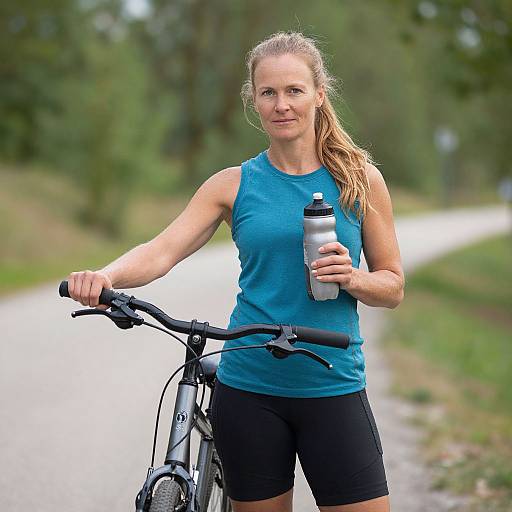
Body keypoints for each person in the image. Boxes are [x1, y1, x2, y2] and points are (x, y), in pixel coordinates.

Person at [67, 31, 404, 512]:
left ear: (319, 94)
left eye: (294, 90)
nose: (281, 104)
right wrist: (105, 276)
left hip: (332, 384)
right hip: (250, 390)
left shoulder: (359, 179)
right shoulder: (233, 184)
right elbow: (162, 250)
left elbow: (392, 286)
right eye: (268, 92)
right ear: (254, 100)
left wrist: (353, 279)